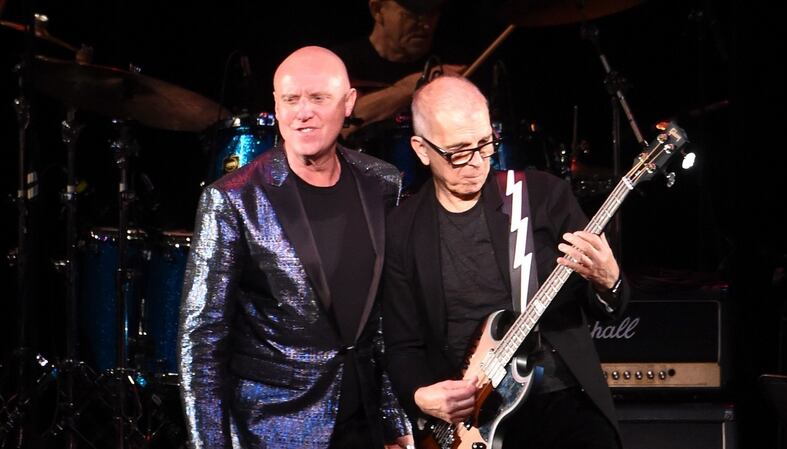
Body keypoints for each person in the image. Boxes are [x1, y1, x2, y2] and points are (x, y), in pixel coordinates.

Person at [178, 46, 411, 449]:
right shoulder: (234, 198)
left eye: (318, 98)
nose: (303, 112)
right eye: (291, 100)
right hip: (272, 427)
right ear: (276, 106)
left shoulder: (383, 183)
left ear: (348, 102)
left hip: (364, 423)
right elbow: (201, 341)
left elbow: (385, 318)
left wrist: (394, 417)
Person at [381, 75, 629, 448]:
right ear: (421, 149)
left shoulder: (542, 196)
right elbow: (402, 345)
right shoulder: (403, 228)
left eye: (485, 143)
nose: (477, 162)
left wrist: (608, 281)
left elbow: (610, 307)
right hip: (472, 421)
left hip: (561, 402)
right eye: (458, 151)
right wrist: (420, 395)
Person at [333, 0, 464, 193]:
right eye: (412, 15)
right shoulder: (340, 64)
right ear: (377, 10)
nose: (426, 24)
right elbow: (343, 120)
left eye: (432, 14)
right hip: (357, 192)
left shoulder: (449, 62)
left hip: (435, 193)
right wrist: (413, 86)